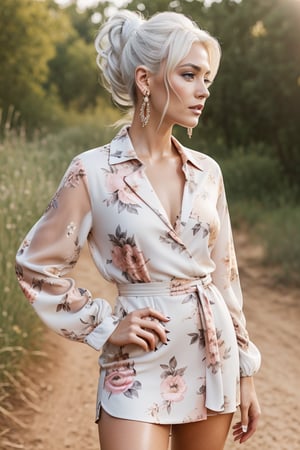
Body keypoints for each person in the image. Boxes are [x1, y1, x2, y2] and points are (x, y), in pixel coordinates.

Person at [15, 10, 261, 450]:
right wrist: (106, 325)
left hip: (213, 353)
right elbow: (35, 266)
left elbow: (226, 278)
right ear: (146, 80)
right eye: (190, 75)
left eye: (207, 77)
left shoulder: (208, 172)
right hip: (137, 361)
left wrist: (245, 372)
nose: (204, 90)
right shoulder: (91, 172)